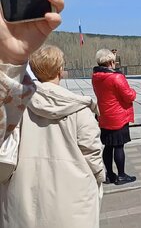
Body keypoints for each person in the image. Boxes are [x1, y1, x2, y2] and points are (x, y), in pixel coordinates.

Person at [1, 45, 104, 228]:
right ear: (60, 70)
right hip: (73, 198)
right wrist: (99, 178)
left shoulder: (18, 105)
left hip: (23, 195)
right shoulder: (80, 110)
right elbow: (92, 154)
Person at [92, 49, 137, 185]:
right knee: (118, 146)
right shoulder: (116, 77)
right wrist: (134, 91)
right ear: (111, 62)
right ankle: (121, 175)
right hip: (118, 115)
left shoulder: (96, 76)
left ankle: (110, 174)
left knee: (108, 146)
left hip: (104, 115)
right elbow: (129, 95)